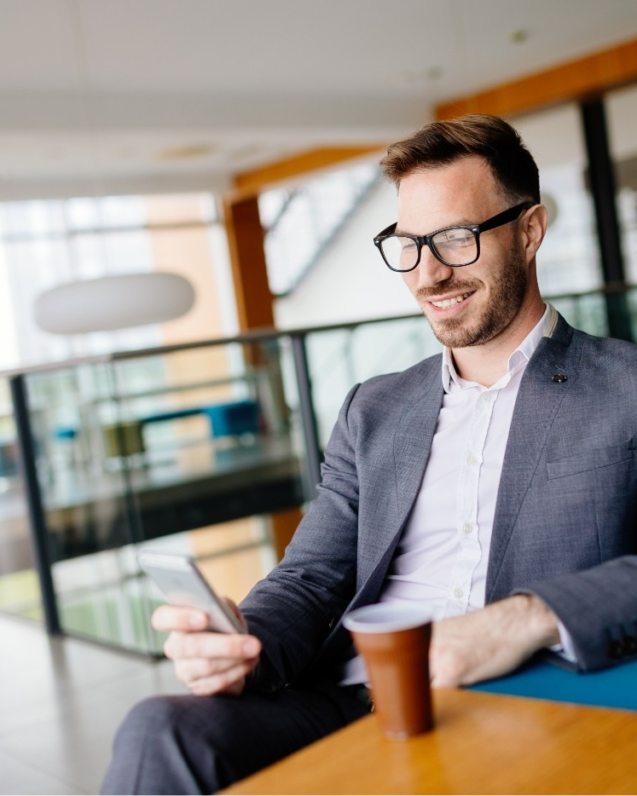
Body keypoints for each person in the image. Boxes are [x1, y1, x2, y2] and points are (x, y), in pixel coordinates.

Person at [102, 115, 637, 795]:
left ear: (528, 230)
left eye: (455, 237)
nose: (429, 273)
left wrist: (525, 616)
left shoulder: (623, 387)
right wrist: (240, 640)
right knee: (161, 727)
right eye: (408, 245)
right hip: (351, 699)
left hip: (519, 699)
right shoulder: (375, 408)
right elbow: (310, 577)